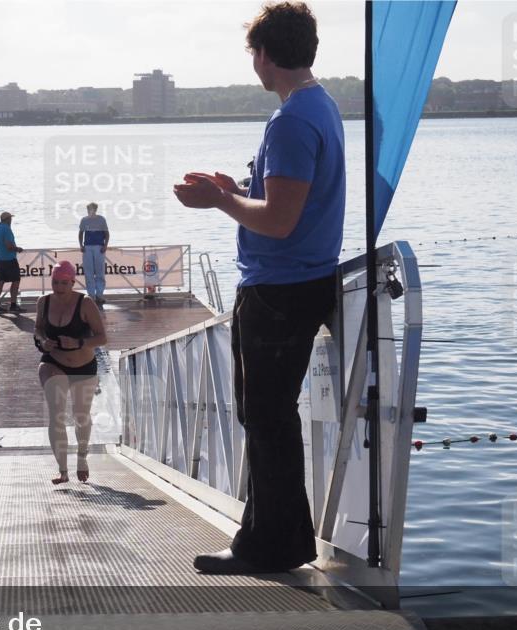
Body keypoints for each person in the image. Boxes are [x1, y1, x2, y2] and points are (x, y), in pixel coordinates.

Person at [174, 1, 344, 574]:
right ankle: (282, 539)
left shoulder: (292, 119)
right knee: (271, 418)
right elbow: (285, 200)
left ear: (266, 55)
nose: (254, 61)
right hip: (300, 283)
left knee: (266, 418)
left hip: (279, 290)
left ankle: (269, 547)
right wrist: (236, 186)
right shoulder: (320, 107)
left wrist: (220, 200)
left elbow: (278, 220)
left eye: (253, 51)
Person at [34, 260, 107, 484]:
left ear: (72, 282)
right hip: (53, 362)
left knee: (80, 416)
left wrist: (77, 342)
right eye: (55, 282)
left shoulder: (85, 303)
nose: (58, 288)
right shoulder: (43, 302)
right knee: (56, 414)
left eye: (64, 283)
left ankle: (82, 459)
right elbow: (38, 329)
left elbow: (102, 337)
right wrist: (43, 342)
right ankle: (62, 470)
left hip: (84, 366)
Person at [0, 211, 24, 313]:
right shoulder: (6, 229)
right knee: (16, 281)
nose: (11, 220)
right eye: (10, 218)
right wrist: (18, 249)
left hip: (0, 259)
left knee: (0, 282)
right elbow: (9, 246)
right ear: (7, 220)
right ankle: (13, 305)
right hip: (9, 260)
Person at [78, 202, 110, 303]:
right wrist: (81, 245)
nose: (90, 211)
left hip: (99, 247)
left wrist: (105, 245)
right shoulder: (84, 220)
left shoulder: (101, 219)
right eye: (88, 209)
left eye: (91, 209)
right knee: (89, 272)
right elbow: (80, 233)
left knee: (100, 272)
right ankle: (91, 295)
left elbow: (107, 233)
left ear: (95, 209)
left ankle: (99, 295)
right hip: (87, 247)